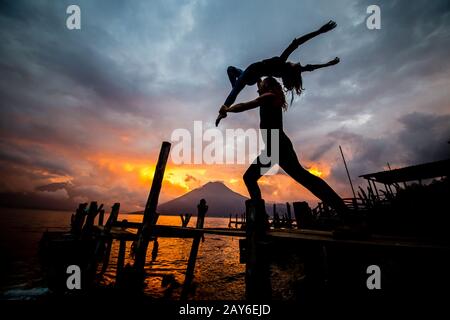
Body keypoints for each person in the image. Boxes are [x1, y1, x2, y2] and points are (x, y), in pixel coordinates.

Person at [219, 76, 348, 216]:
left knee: (305, 179)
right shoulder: (269, 95)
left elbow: (246, 105)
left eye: (262, 84)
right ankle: (260, 217)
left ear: (267, 86)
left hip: (278, 145)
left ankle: (347, 215)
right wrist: (253, 76)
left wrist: (228, 109)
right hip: (273, 146)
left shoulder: (269, 96)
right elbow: (258, 83)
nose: (259, 86)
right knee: (251, 178)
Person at [216, 20, 340, 127]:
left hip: (251, 73)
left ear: (289, 73)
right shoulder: (292, 71)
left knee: (234, 81)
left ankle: (230, 95)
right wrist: (328, 63)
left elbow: (296, 44)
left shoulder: (282, 64)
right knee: (231, 71)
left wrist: (225, 108)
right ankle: (234, 86)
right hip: (254, 75)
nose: (297, 63)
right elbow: (310, 67)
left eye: (295, 65)